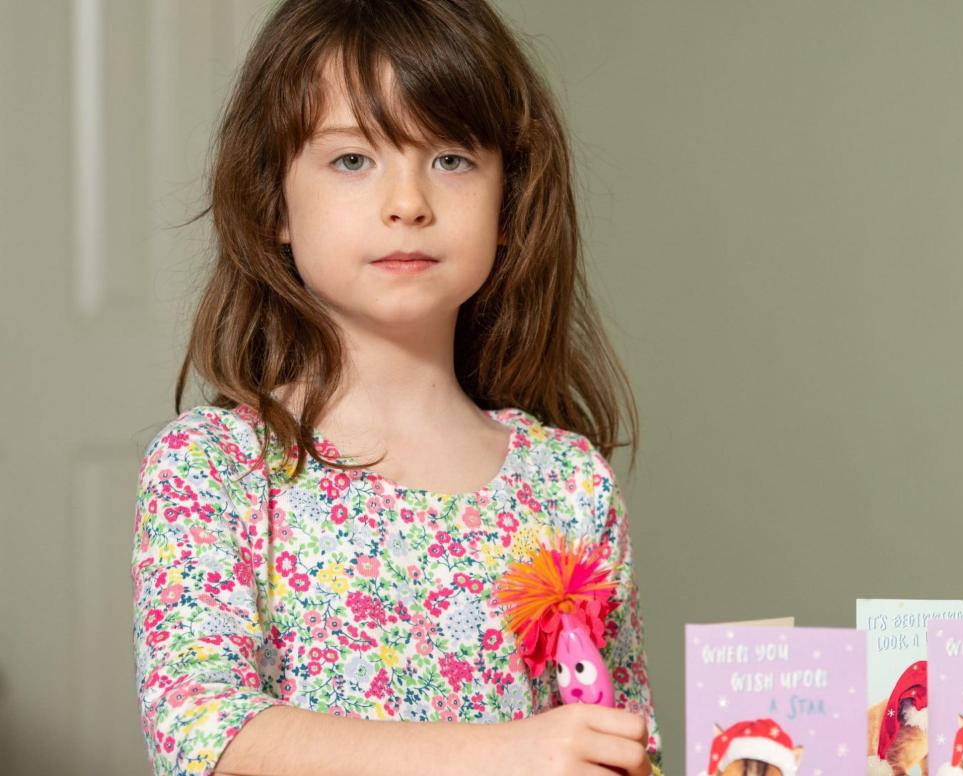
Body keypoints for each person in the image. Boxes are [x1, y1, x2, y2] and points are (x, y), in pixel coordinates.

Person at [130, 1, 661, 774]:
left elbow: (615, 745)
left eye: (451, 160)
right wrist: (502, 756)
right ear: (274, 201)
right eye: (353, 160)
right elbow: (204, 732)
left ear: (508, 203)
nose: (407, 203)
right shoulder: (214, 469)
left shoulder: (568, 484)